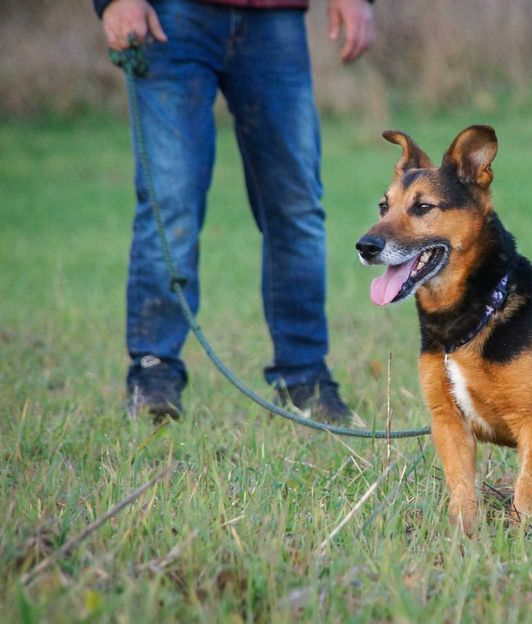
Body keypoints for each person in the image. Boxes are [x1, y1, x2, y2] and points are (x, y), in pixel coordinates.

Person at [95, 0, 374, 422]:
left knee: (296, 207)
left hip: (275, 18)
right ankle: (154, 374)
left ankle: (304, 379)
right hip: (170, 17)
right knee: (170, 203)